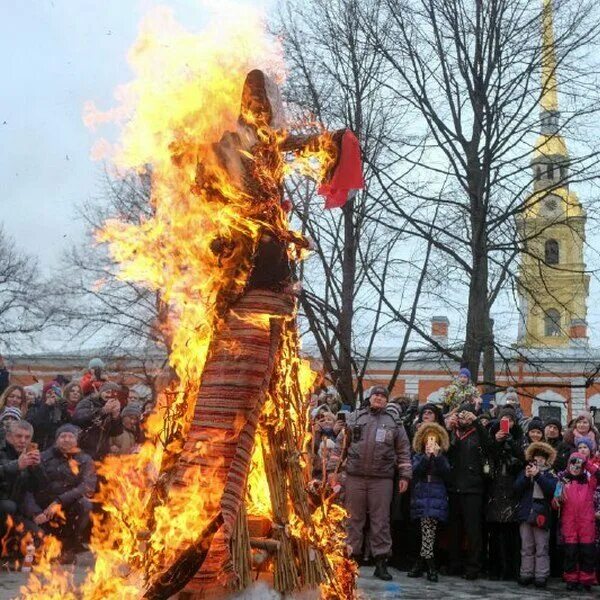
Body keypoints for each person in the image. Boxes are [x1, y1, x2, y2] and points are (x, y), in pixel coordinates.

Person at [342, 385, 412, 581]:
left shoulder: (394, 422)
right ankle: (350, 561)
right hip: (355, 477)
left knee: (380, 521)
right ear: (370, 398)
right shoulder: (356, 417)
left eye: (383, 396)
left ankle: (381, 563)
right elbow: (341, 446)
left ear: (386, 400)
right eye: (376, 395)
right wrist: (333, 472)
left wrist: (405, 476)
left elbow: (404, 451)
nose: (379, 398)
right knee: (353, 520)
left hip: (382, 479)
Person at [23, 424, 96, 562]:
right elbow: (28, 487)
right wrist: (36, 512)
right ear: (56, 439)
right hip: (43, 506)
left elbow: (87, 486)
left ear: (76, 440)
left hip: (68, 504)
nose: (66, 439)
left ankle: (70, 546)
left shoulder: (85, 460)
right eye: (63, 436)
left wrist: (59, 501)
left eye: (70, 436)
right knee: (35, 555)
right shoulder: (42, 457)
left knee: (85, 504)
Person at [445, 402, 493, 580]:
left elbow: (490, 447)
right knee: (454, 530)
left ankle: (473, 567)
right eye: (461, 414)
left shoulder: (478, 433)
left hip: (473, 488)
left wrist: (478, 423)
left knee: (473, 531)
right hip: (454, 487)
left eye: (467, 414)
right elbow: (446, 451)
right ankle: (454, 564)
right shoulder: (454, 433)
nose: (463, 418)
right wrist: (449, 429)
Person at [407, 421, 450, 583]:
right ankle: (425, 564)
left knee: (428, 531)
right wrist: (426, 457)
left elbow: (447, 473)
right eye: (428, 439)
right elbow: (415, 471)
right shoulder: (418, 456)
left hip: (436, 494)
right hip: (421, 493)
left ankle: (428, 565)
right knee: (426, 533)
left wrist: (437, 457)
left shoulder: (442, 457)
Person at [486, 406, 524, 581]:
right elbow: (487, 454)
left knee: (511, 532)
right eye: (504, 420)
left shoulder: (519, 437)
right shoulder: (492, 435)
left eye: (511, 420)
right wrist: (496, 440)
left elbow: (522, 458)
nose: (508, 423)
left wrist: (511, 442)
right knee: (495, 531)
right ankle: (495, 568)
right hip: (495, 487)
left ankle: (511, 568)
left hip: (512, 488)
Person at [514, 441, 557, 588]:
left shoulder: (550, 474)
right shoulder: (525, 471)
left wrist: (538, 475)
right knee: (526, 546)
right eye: (535, 458)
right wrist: (526, 477)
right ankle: (526, 574)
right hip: (526, 514)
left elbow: (551, 490)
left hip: (541, 515)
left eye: (541, 458)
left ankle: (541, 575)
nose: (538, 460)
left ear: (546, 460)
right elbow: (516, 489)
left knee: (542, 546)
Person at [554, 452, 599, 591]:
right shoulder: (562, 482)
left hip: (586, 523)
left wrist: (585, 462)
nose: (575, 466)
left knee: (587, 553)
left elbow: (598, 474)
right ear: (568, 465)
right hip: (569, 523)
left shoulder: (590, 481)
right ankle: (571, 579)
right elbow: (555, 504)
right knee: (570, 553)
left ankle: (586, 580)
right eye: (572, 463)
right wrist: (557, 501)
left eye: (578, 464)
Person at [0, 420, 42, 555]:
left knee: (38, 536)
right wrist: (16, 466)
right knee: (8, 506)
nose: (23, 440)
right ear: (9, 436)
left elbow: (38, 487)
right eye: (19, 436)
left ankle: (12, 552)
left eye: (27, 437)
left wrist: (37, 468)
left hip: (18, 511)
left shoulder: (29, 454)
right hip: (4, 507)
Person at [72, 382, 123, 460]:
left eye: (113, 393)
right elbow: (78, 418)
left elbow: (116, 433)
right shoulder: (88, 402)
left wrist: (115, 416)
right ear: (101, 392)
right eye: (107, 392)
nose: (109, 395)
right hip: (82, 450)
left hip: (101, 453)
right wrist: (103, 411)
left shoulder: (114, 406)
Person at [26, 382, 70, 451]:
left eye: (56, 393)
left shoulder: (60, 409)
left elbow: (68, 426)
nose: (53, 396)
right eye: (49, 393)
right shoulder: (35, 408)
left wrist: (64, 410)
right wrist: (46, 406)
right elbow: (32, 424)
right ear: (44, 394)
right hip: (39, 447)